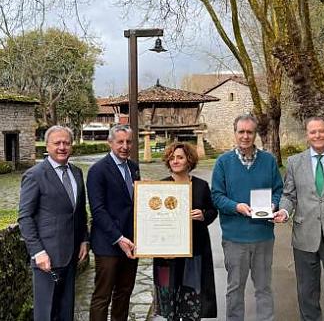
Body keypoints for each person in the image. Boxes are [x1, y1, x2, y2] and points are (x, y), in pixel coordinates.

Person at [275, 116, 324, 321]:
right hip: (304, 234)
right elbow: (288, 195)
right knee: (307, 290)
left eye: (322, 131)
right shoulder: (294, 162)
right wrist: (284, 211)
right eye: (313, 132)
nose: (317, 135)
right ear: (307, 135)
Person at [211, 114, 285, 321]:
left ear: (255, 135)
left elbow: (278, 190)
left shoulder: (268, 161)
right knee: (235, 288)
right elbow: (216, 196)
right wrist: (236, 207)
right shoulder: (223, 162)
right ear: (235, 133)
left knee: (263, 287)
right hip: (235, 238)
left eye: (249, 132)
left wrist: (274, 203)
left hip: (262, 236)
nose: (245, 136)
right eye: (241, 131)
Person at [18, 125, 89, 321]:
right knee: (46, 313)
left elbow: (79, 211)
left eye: (66, 143)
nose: (62, 147)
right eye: (57, 143)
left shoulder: (76, 173)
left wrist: (84, 239)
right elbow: (25, 217)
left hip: (72, 254)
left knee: (66, 311)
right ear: (47, 146)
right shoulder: (35, 175)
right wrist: (37, 252)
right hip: (46, 257)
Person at [153, 142, 218, 321]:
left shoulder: (201, 186)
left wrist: (203, 215)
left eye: (180, 157)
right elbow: (151, 217)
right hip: (167, 253)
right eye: (172, 158)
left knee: (191, 302)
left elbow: (213, 211)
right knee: (169, 302)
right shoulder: (159, 187)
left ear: (189, 160)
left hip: (195, 250)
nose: (175, 161)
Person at [87, 125, 140, 321]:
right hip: (108, 244)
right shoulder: (97, 171)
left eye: (128, 142)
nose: (125, 146)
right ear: (110, 143)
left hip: (131, 243)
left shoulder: (134, 168)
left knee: (124, 293)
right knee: (103, 296)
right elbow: (98, 211)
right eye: (120, 142)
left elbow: (134, 203)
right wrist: (118, 238)